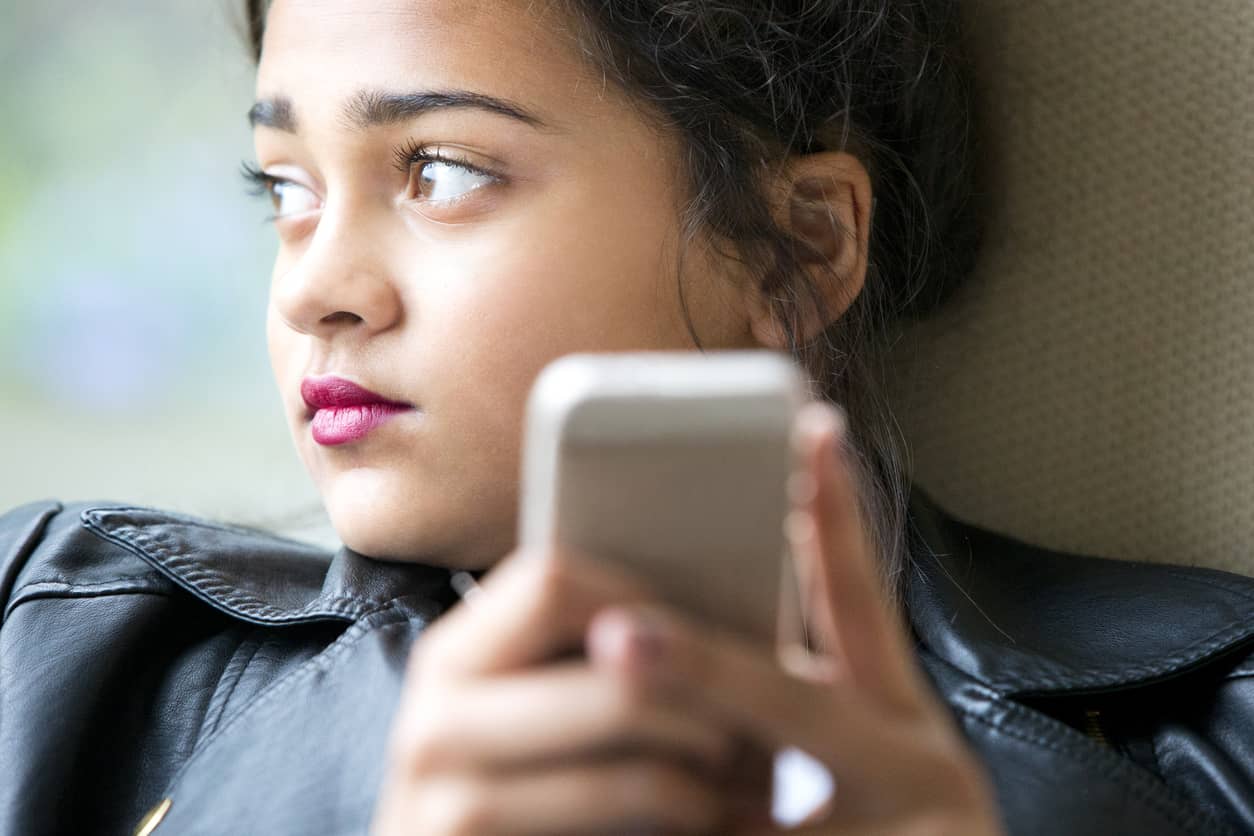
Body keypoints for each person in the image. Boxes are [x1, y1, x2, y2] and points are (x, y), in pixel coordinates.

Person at [2, 2, 1252, 834]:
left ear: (797, 250)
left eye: (441, 170)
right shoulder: (53, 640)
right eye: (285, 186)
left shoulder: (1220, 730)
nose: (315, 288)